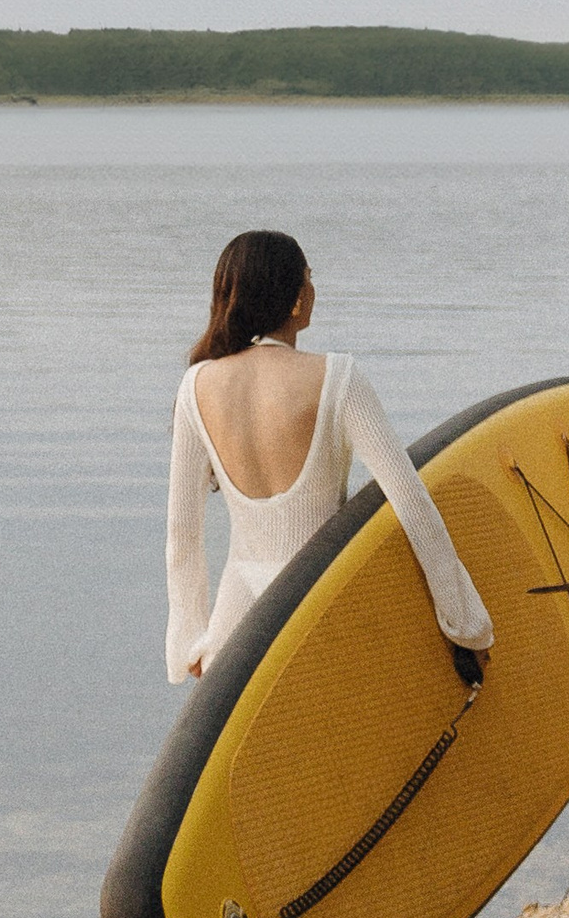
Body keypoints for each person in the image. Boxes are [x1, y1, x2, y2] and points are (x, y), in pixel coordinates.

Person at [165, 228, 494, 685]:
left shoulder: (196, 386)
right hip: (324, 610)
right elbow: (411, 503)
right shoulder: (338, 377)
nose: (313, 290)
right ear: (297, 299)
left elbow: (182, 537)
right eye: (309, 278)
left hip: (236, 631)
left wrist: (190, 647)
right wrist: (466, 627)